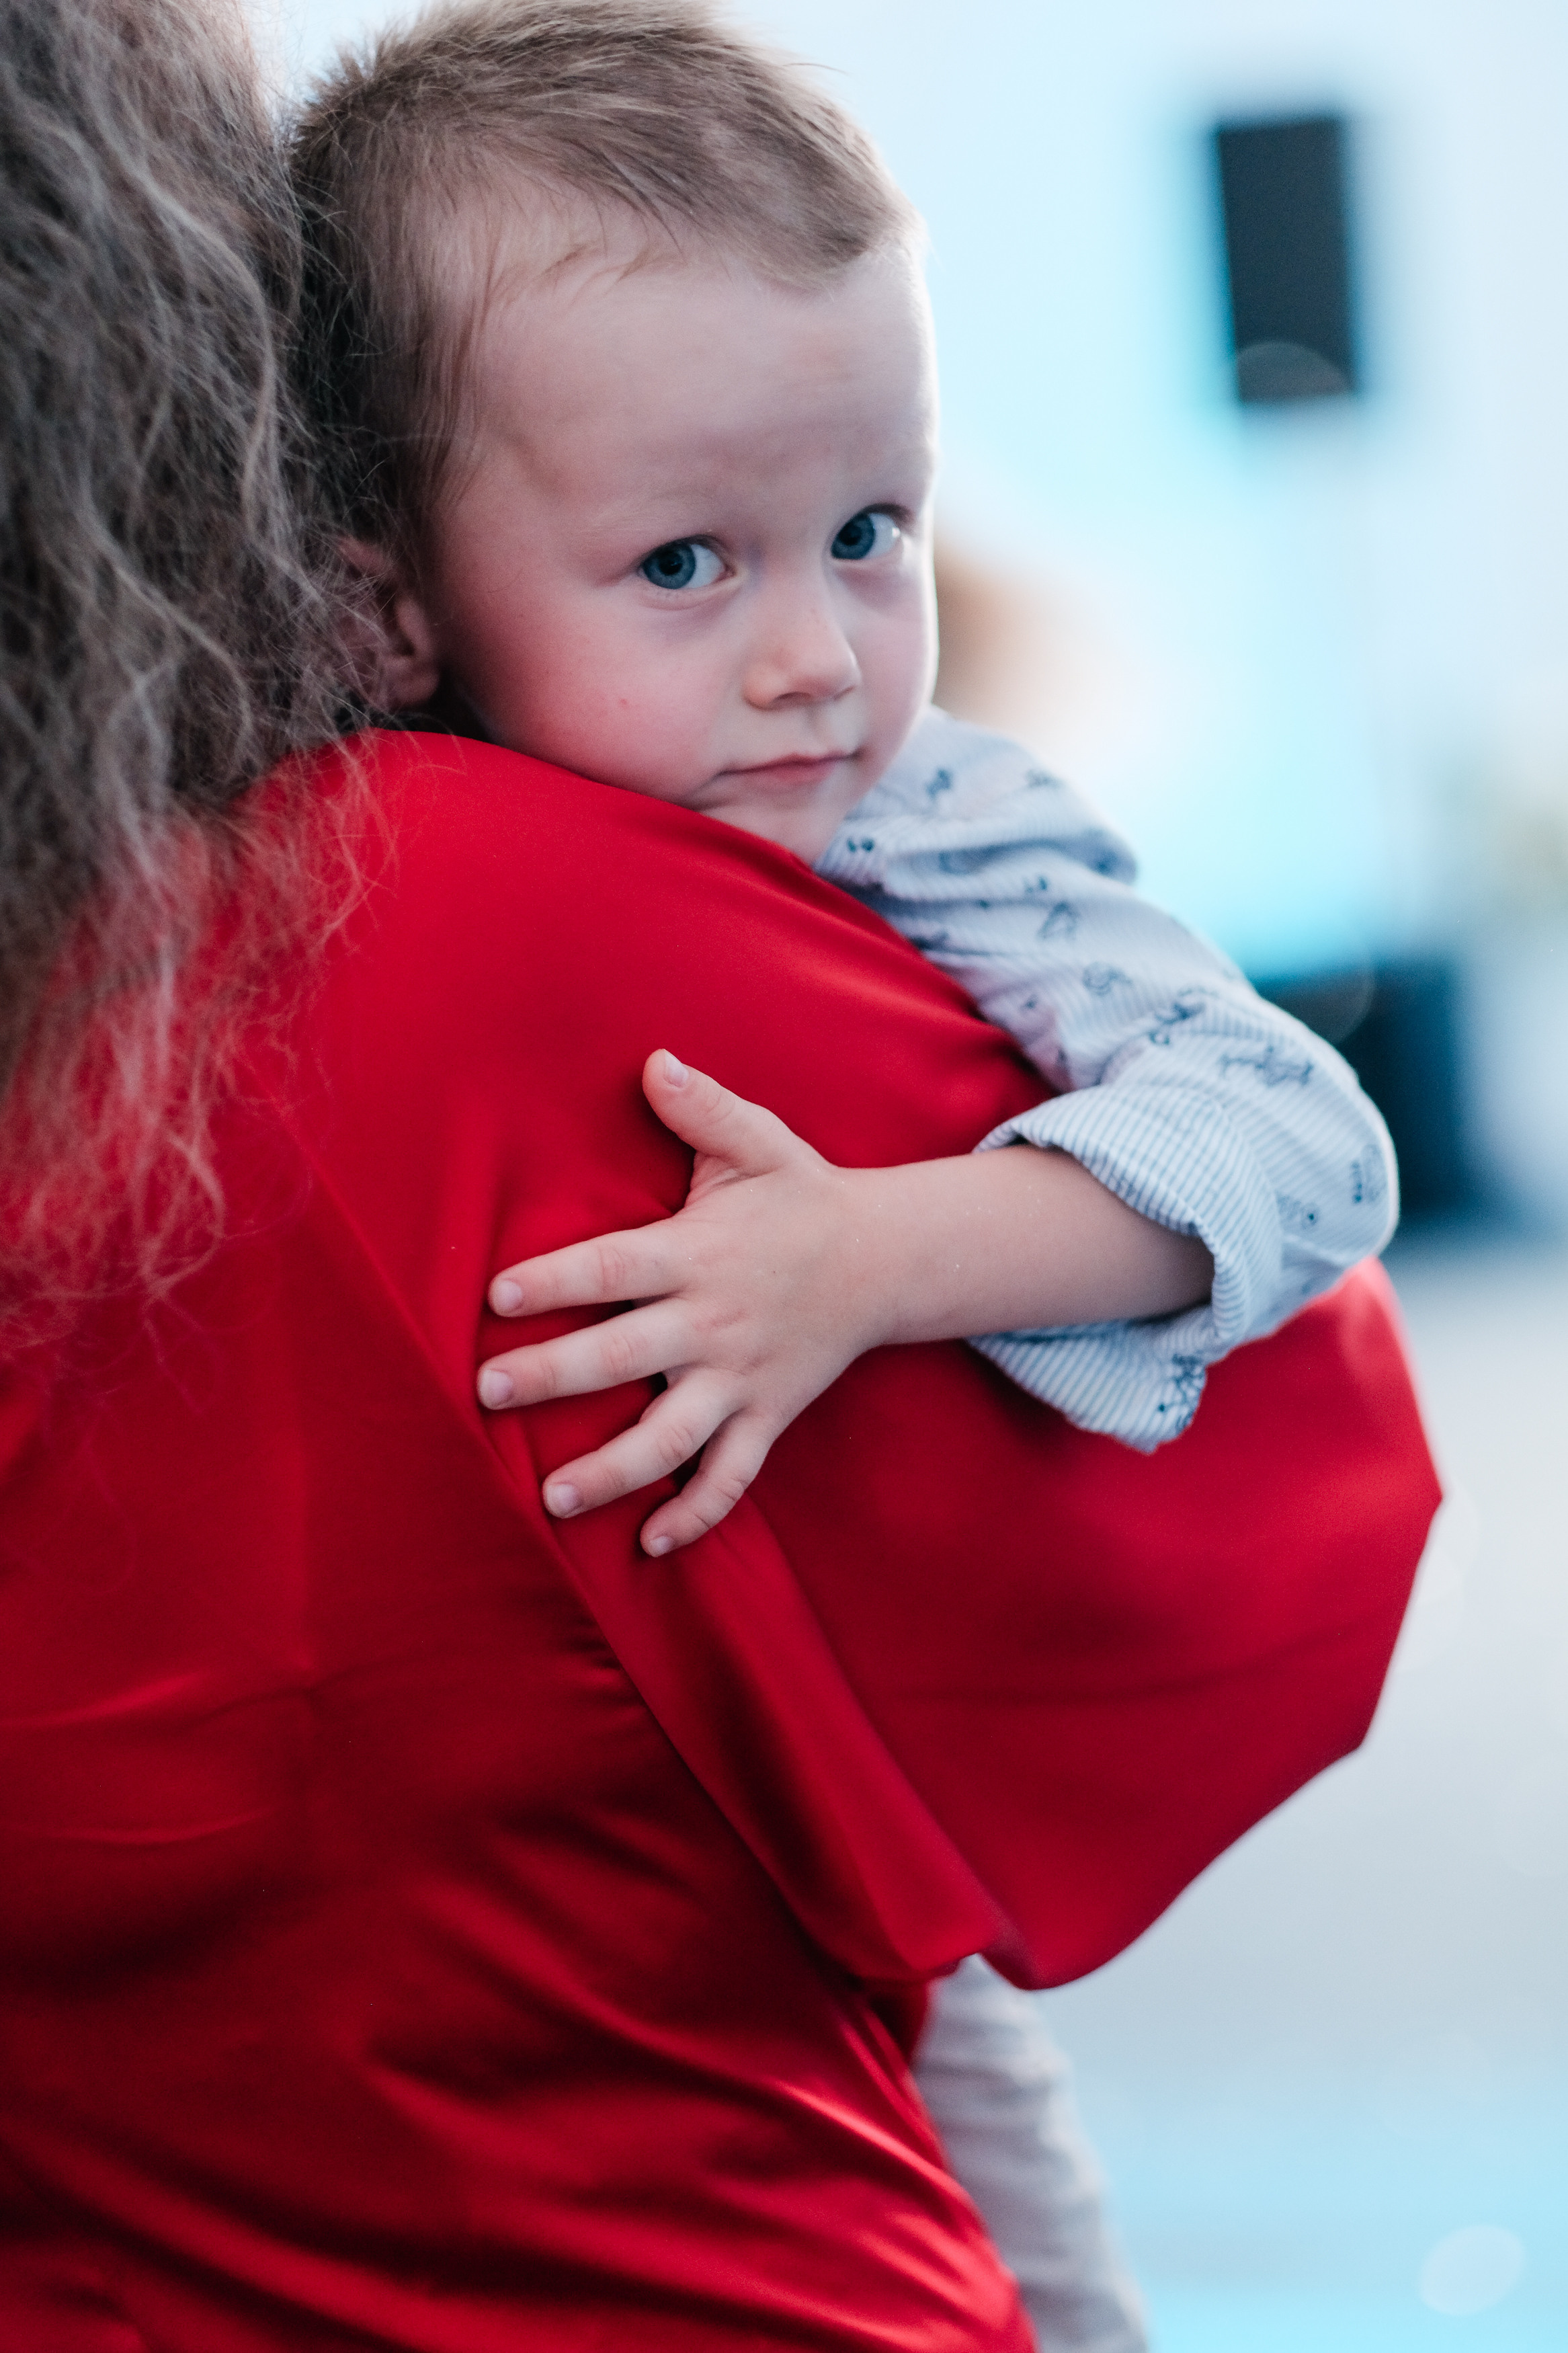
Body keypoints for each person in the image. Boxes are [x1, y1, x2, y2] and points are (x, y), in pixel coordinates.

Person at [0, 1, 1439, 2346]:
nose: (814, 659)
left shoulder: (939, 815)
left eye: (877, 530)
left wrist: (887, 1248)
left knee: (1001, 2136)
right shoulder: (397, 850)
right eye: (687, 560)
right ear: (386, 598)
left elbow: (1299, 1142)